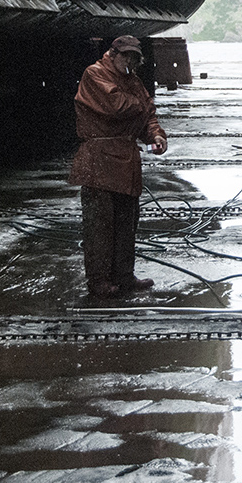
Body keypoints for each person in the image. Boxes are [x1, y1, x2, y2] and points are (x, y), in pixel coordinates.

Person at [68, 35, 167, 298]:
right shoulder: (94, 74)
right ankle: (98, 280)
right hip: (99, 160)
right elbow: (116, 105)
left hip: (125, 162)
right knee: (99, 227)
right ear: (113, 54)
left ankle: (124, 276)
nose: (130, 61)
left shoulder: (132, 81)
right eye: (126, 56)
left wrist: (156, 135)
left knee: (126, 224)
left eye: (135, 57)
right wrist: (143, 107)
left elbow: (149, 115)